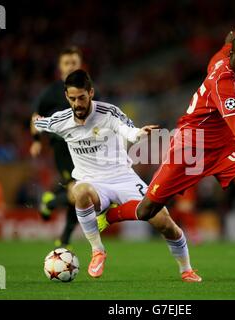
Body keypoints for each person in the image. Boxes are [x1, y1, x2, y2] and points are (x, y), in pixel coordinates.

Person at [98, 30, 235, 261]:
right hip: (190, 146)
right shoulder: (224, 82)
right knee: (146, 210)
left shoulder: (225, 62)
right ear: (233, 56)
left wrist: (225, 46)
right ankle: (109, 216)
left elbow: (212, 62)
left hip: (222, 146)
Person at [34, 69, 202, 282]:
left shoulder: (108, 113)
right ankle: (98, 250)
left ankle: (186, 269)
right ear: (67, 97)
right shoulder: (60, 121)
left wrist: (139, 133)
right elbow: (39, 122)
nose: (78, 103)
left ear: (91, 93)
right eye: (73, 98)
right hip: (92, 183)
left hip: (123, 178)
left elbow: (128, 130)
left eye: (82, 98)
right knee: (80, 191)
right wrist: (35, 130)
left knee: (164, 223)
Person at [29, 46, 82, 248]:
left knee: (81, 194)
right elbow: (36, 116)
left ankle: (64, 237)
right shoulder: (51, 92)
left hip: (85, 148)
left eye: (74, 63)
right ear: (60, 67)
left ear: (80, 65)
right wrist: (35, 140)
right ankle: (50, 204)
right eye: (67, 63)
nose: (71, 66)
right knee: (77, 191)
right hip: (62, 146)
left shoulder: (88, 90)